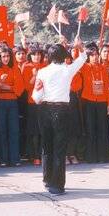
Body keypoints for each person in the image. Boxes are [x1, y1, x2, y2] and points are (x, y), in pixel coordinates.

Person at [32, 36, 86, 196]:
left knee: (47, 146)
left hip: (44, 109)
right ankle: (57, 185)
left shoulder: (42, 71)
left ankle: (47, 180)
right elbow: (83, 58)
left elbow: (36, 95)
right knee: (59, 148)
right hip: (61, 110)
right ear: (64, 57)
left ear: (48, 57)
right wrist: (78, 46)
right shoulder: (67, 69)